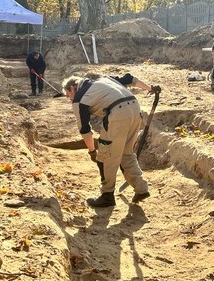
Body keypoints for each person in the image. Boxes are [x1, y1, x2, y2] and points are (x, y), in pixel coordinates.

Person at [62, 73, 161, 208]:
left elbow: (85, 130)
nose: (69, 99)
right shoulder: (104, 79)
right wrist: (150, 88)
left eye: (68, 95)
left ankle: (107, 195)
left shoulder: (79, 99)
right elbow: (130, 79)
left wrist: (92, 151)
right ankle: (141, 189)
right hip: (135, 109)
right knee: (126, 153)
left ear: (72, 88)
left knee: (106, 156)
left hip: (117, 114)